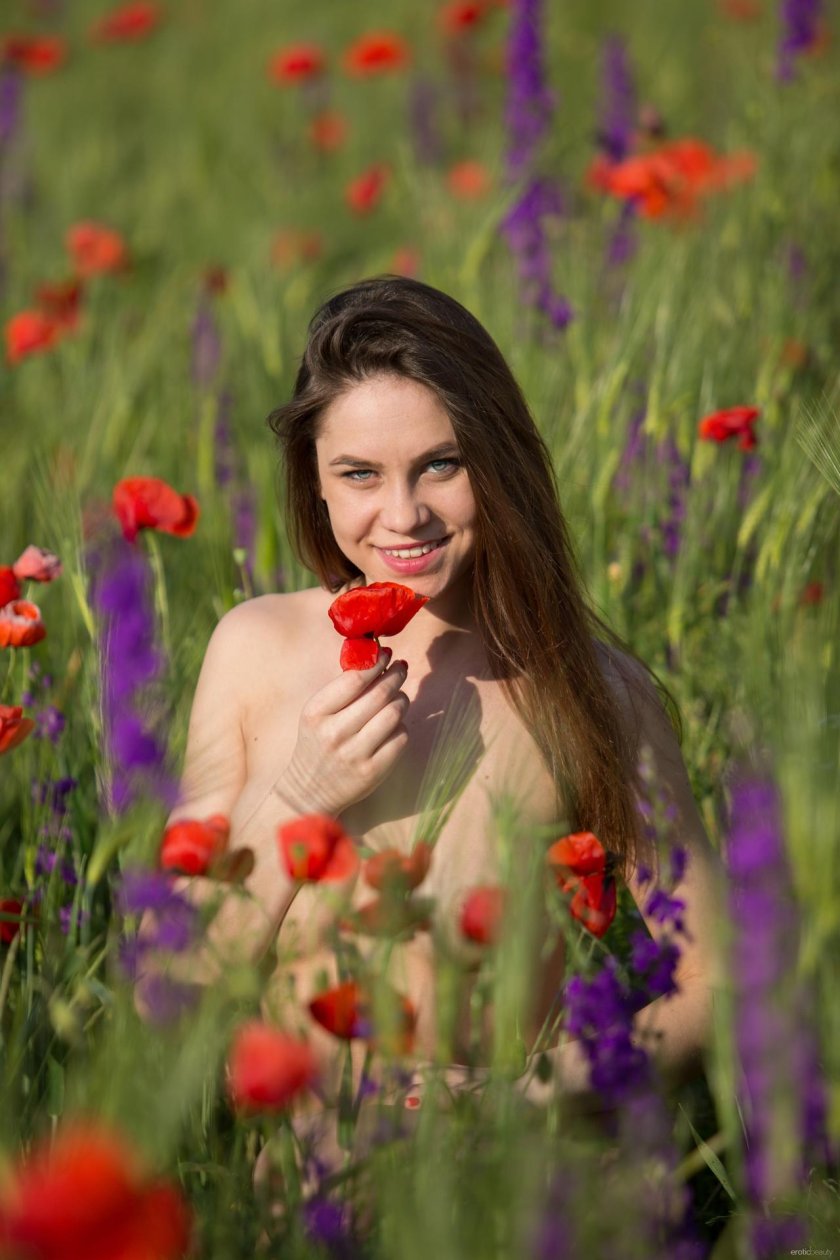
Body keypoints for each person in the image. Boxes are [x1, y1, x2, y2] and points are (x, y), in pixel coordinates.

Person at [167, 275, 723, 1104]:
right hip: (301, 1174)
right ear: (315, 480)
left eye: (441, 465)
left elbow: (716, 983)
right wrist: (298, 796)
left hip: (498, 1164)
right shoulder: (253, 650)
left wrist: (527, 1097)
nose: (403, 516)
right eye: (359, 474)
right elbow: (168, 987)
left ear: (498, 462)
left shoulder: (594, 690)